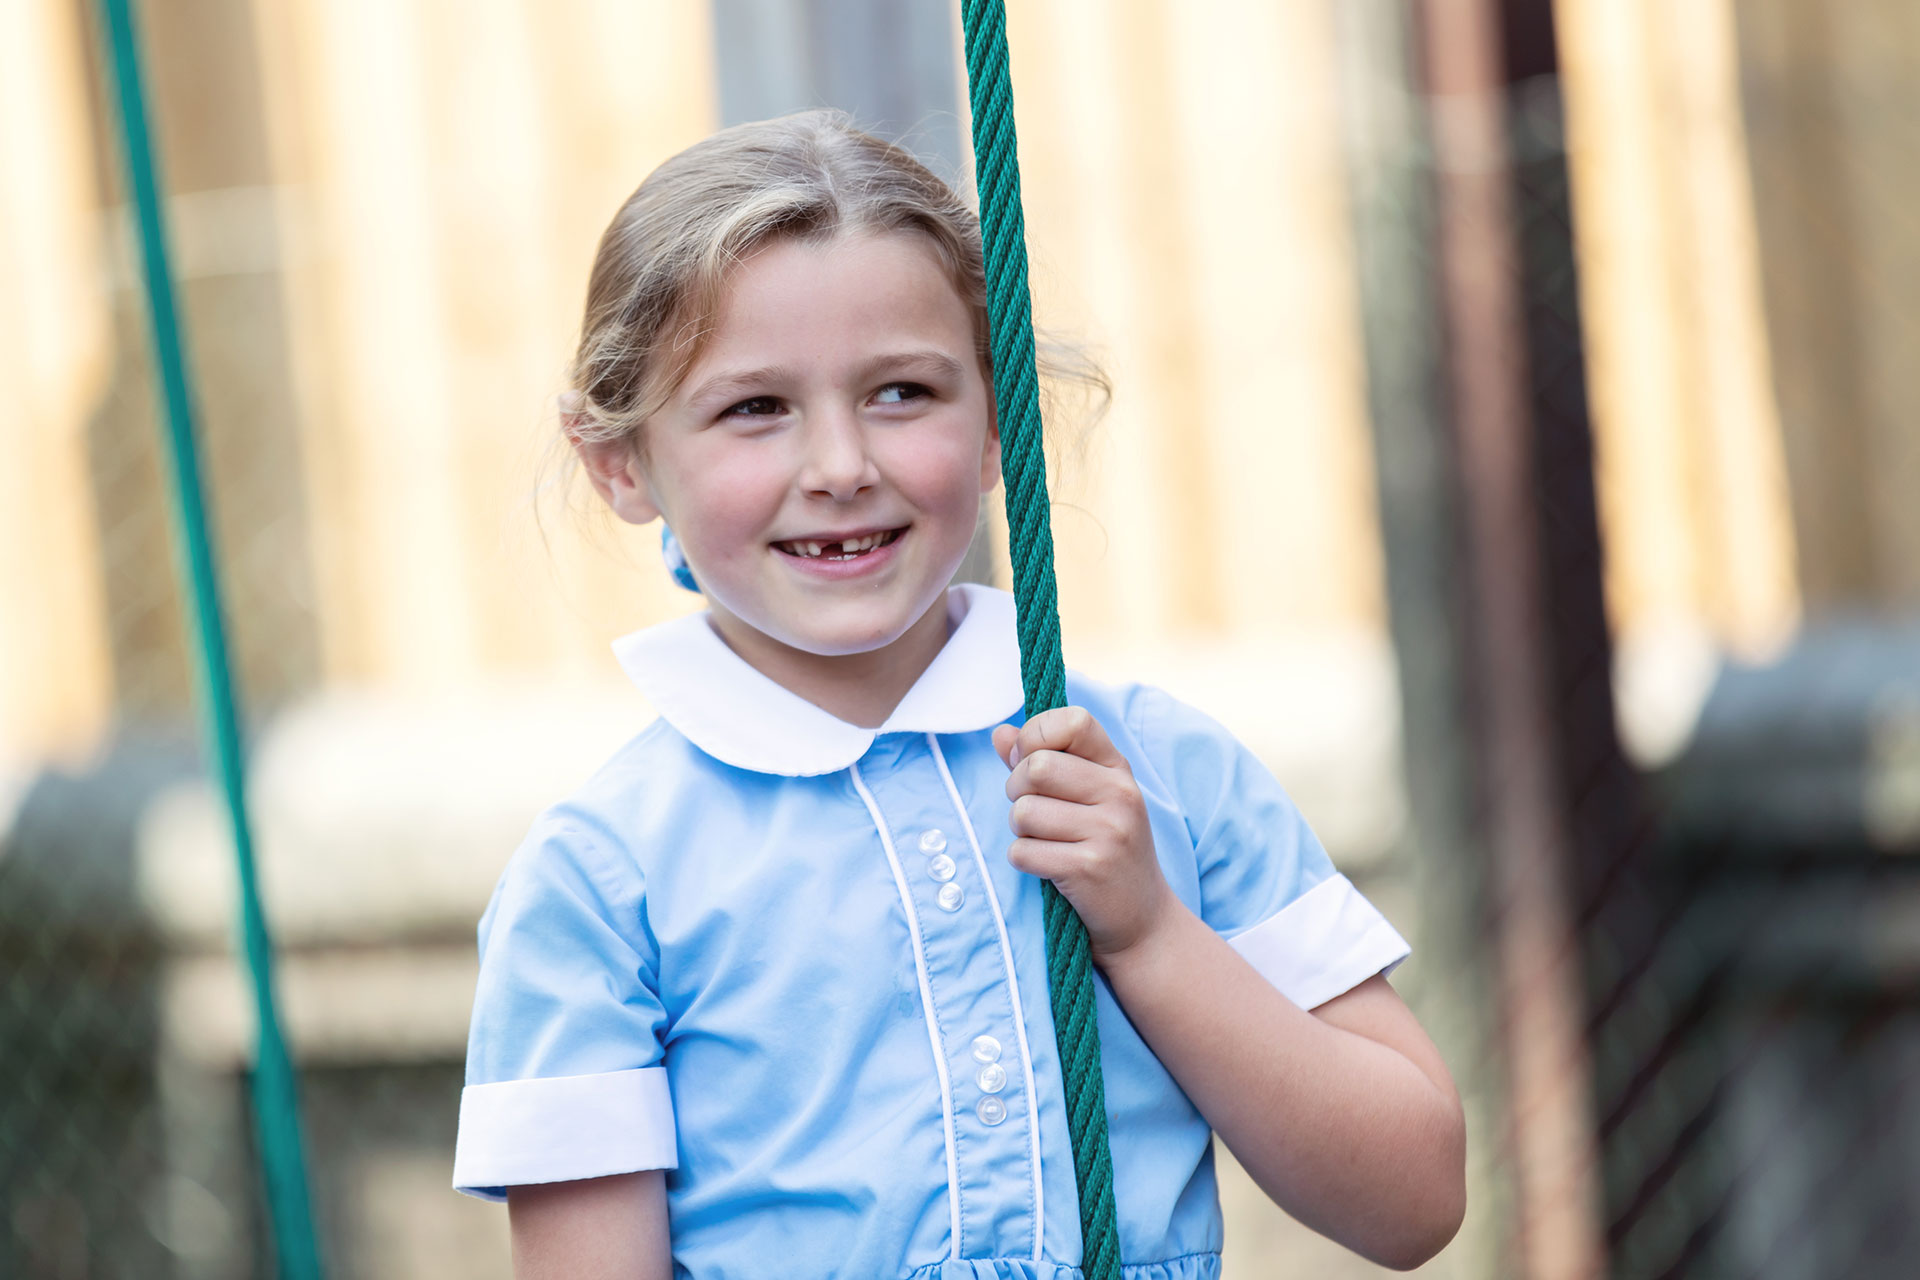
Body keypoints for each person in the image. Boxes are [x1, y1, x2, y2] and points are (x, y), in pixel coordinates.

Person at [452, 110, 1465, 1280]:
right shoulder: (599, 882)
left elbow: (1415, 1198)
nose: (840, 465)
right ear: (619, 462)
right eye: (754, 408)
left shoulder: (1162, 773)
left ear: (999, 420)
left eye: (900, 392)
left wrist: (1147, 932)